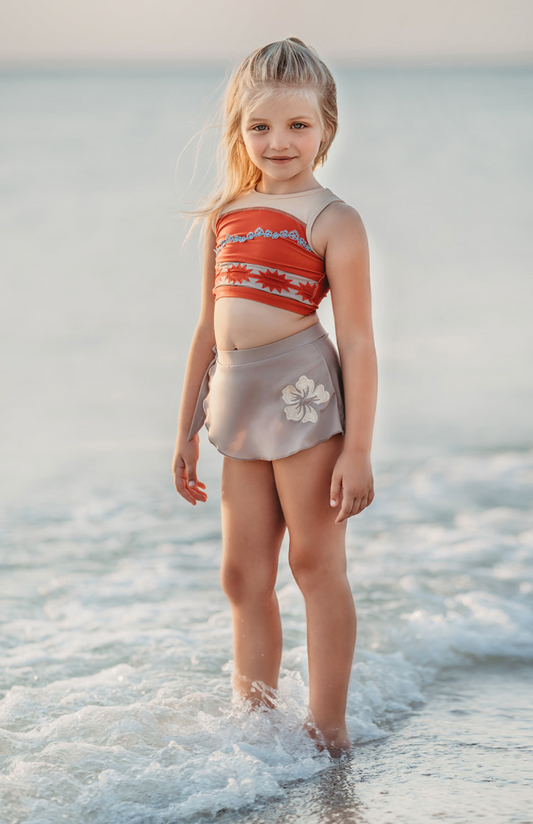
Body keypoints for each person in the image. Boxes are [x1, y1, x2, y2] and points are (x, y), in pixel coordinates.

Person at [172, 37, 377, 756]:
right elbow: (207, 326)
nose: (278, 141)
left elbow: (356, 342)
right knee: (241, 573)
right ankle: (254, 727)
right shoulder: (226, 214)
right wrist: (184, 427)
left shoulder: (333, 220)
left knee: (314, 564)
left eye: (297, 125)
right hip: (234, 400)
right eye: (260, 126)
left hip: (303, 399)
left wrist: (357, 450)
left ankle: (328, 728)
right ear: (238, 129)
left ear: (326, 127)